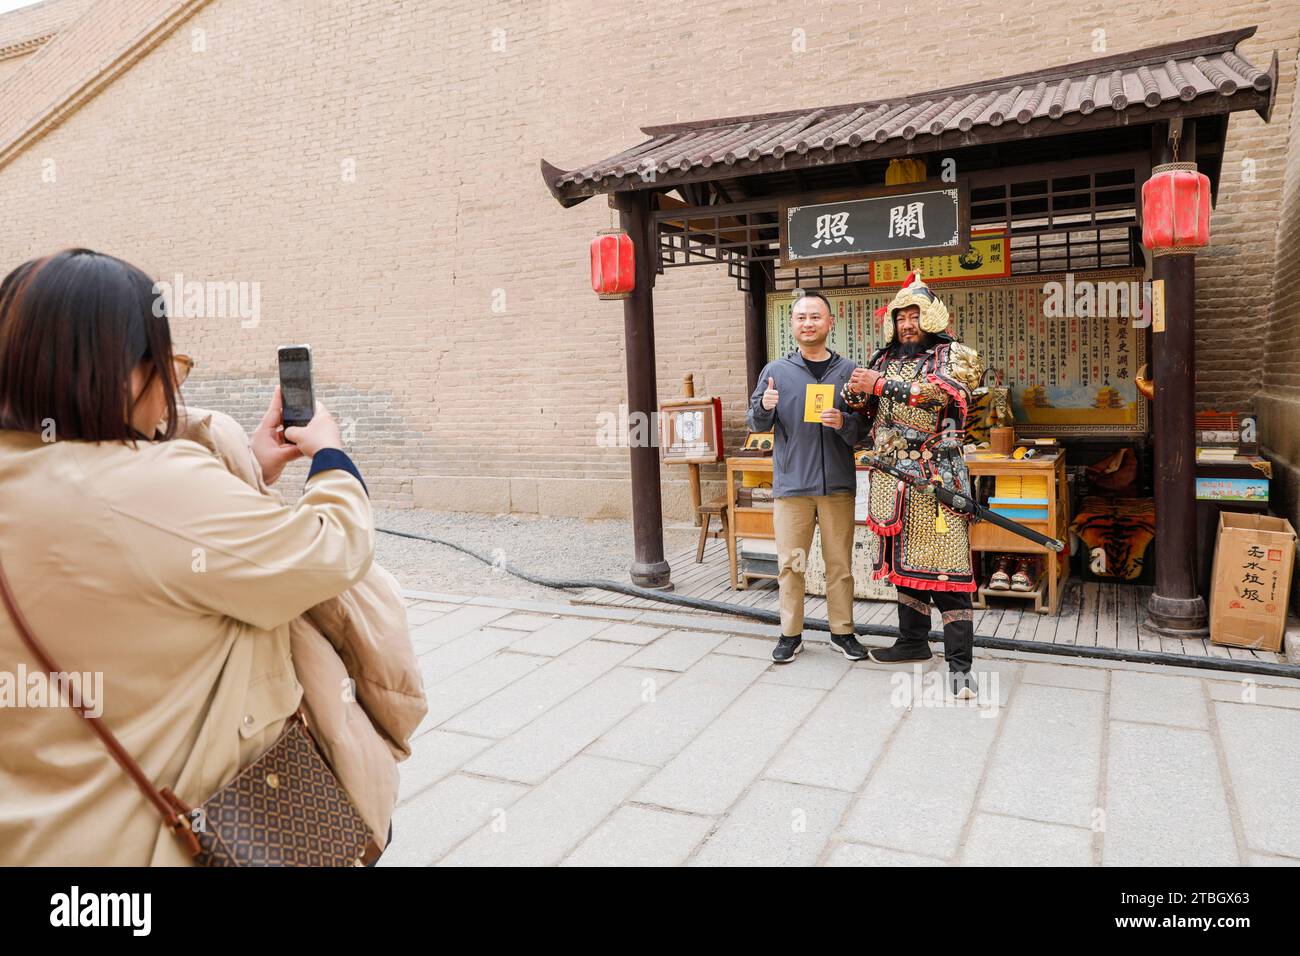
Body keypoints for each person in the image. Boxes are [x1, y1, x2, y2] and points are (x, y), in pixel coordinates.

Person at [0, 249, 389, 864]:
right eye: (168, 365)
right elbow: (329, 550)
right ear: (125, 374)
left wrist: (246, 471)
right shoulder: (153, 483)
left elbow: (148, 553)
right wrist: (332, 459)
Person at [844, 271, 984, 699]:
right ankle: (913, 641)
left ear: (932, 317)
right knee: (904, 565)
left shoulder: (954, 354)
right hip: (889, 476)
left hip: (934, 475)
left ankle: (960, 665)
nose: (907, 324)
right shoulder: (882, 358)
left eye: (915, 316)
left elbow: (943, 394)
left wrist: (880, 385)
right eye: (902, 317)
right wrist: (855, 394)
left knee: (948, 567)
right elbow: (868, 409)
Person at [746, 291, 868, 664]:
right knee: (792, 564)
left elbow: (866, 429)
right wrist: (765, 408)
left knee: (839, 565)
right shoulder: (775, 372)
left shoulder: (850, 372)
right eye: (801, 318)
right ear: (793, 325)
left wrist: (844, 422)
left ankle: (842, 632)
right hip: (793, 486)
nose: (808, 323)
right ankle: (790, 633)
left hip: (837, 486)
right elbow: (755, 423)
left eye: (815, 317)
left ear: (830, 323)